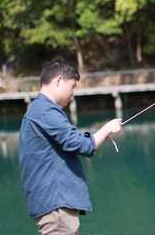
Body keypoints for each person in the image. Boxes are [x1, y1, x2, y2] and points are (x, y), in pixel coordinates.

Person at [18, 58, 122, 234]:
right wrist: (106, 129)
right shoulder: (45, 111)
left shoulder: (40, 110)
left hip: (54, 204)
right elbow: (79, 144)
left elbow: (75, 142)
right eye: (72, 86)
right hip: (56, 205)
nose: (73, 93)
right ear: (59, 80)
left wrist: (99, 136)